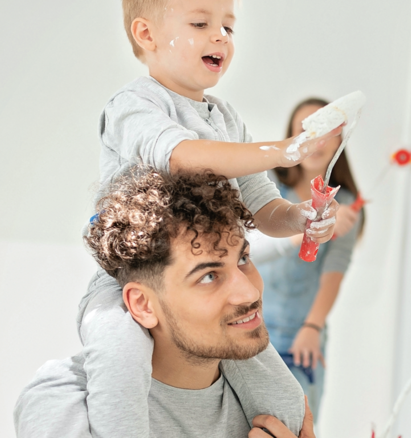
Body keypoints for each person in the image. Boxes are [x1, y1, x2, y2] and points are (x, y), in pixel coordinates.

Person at [79, 1, 347, 437]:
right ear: (146, 36)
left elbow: (264, 209)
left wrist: (301, 217)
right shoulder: (133, 105)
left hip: (211, 283)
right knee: (117, 365)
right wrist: (287, 150)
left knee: (289, 409)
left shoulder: (226, 120)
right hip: (125, 285)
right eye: (201, 24)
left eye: (228, 26)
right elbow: (181, 156)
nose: (221, 35)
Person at [16, 168, 313, 438]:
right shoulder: (64, 403)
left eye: (244, 259)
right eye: (209, 276)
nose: (249, 293)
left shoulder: (271, 407)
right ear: (143, 305)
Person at [258, 98, 366, 421]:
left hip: (300, 336)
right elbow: (246, 248)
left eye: (326, 132)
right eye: (306, 131)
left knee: (298, 424)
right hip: (252, 331)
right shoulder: (266, 188)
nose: (315, 142)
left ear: (340, 138)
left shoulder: (345, 206)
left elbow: (334, 272)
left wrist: (312, 326)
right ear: (292, 138)